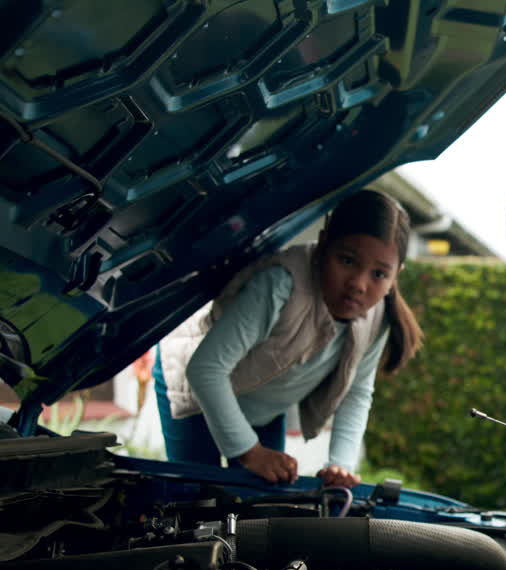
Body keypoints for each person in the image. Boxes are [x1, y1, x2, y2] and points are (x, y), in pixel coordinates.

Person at [154, 189, 423, 488]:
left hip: (263, 408)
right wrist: (250, 452)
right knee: (193, 502)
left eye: (379, 274)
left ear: (396, 275)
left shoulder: (378, 316)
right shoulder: (280, 285)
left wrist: (340, 465)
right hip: (196, 391)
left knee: (260, 505)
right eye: (347, 261)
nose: (358, 284)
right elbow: (205, 369)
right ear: (323, 244)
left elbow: (356, 392)